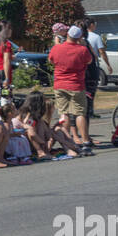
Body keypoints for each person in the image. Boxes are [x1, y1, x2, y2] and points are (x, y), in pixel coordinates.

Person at [47, 25, 92, 154]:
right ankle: (85, 141)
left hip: (60, 84)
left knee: (64, 113)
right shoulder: (82, 50)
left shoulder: (57, 48)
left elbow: (51, 60)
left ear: (67, 35)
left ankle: (67, 141)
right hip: (76, 84)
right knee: (79, 113)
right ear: (79, 37)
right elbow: (88, 62)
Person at [18, 91, 81, 159]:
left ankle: (71, 148)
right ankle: (43, 152)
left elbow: (48, 131)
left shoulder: (36, 117)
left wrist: (50, 139)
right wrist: (43, 142)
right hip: (33, 144)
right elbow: (32, 134)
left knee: (58, 128)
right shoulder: (28, 116)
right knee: (44, 127)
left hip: (41, 141)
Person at [85, 20, 112, 84]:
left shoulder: (81, 36)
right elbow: (102, 52)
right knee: (92, 85)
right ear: (91, 25)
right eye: (95, 24)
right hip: (93, 64)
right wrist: (108, 65)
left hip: (82, 65)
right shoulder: (96, 37)